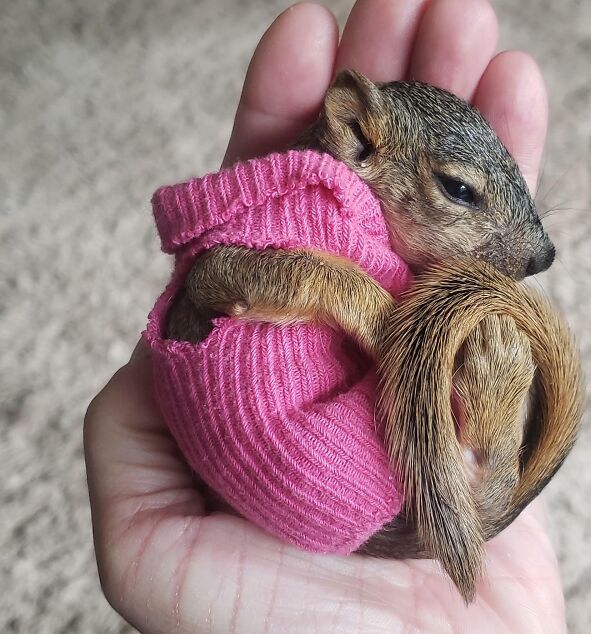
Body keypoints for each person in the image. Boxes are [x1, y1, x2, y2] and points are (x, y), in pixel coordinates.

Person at [84, 1, 565, 631]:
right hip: (304, 456)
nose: (535, 256)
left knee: (488, 347)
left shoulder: (350, 229)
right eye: (459, 191)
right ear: (360, 136)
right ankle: (489, 475)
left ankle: (491, 476)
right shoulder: (282, 215)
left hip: (362, 470)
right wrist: (359, 305)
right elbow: (217, 279)